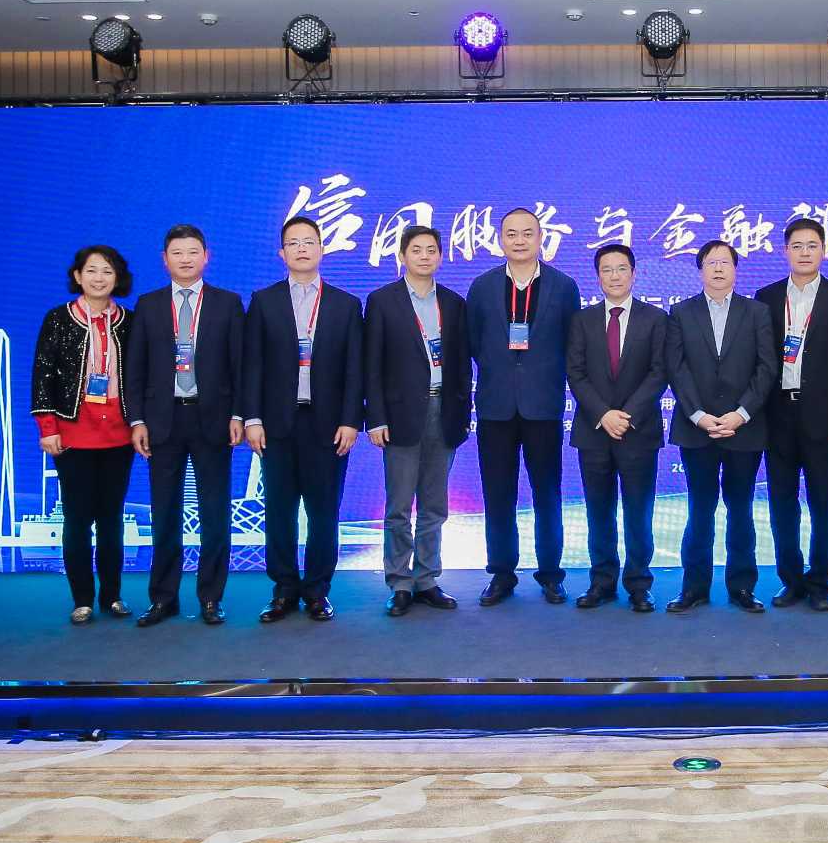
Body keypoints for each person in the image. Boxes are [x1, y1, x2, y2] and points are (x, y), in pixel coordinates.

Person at [241, 217, 362, 624]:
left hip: (328, 425)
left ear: (322, 249)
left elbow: (355, 369)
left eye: (309, 242)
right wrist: (252, 418)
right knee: (279, 510)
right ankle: (283, 589)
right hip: (277, 423)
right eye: (293, 243)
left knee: (324, 512)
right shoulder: (264, 301)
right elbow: (252, 364)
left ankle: (317, 590)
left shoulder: (346, 304)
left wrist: (351, 420)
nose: (302, 249)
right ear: (282, 253)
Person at [125, 224, 244, 627]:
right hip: (163, 420)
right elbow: (135, 369)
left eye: (193, 251)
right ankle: (163, 598)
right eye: (177, 252)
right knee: (164, 514)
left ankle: (211, 597)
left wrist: (238, 414)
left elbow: (240, 366)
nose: (186, 259)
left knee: (215, 513)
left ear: (206, 256)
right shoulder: (149, 305)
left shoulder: (228, 304)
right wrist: (137, 419)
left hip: (213, 420)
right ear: (165, 260)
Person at [465, 207, 582, 605]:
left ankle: (551, 573)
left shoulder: (563, 286)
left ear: (539, 238)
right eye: (511, 234)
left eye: (527, 233)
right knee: (498, 495)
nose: (519, 240)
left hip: (543, 406)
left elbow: (572, 345)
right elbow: (474, 343)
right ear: (501, 240)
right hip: (495, 406)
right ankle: (501, 573)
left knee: (547, 493)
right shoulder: (482, 286)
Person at [365, 224, 472, 617]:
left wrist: (463, 413)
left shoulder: (454, 303)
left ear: (440, 256)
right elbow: (372, 366)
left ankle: (427, 579)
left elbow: (463, 366)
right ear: (402, 256)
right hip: (399, 416)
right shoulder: (382, 301)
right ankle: (399, 582)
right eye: (416, 250)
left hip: (444, 412)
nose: (425, 256)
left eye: (431, 250)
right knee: (398, 506)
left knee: (434, 505)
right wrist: (375, 417)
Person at [754, 218, 828, 612]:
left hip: (824, 417)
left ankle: (820, 583)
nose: (804, 252)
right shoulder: (765, 297)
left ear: (824, 250)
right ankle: (791, 580)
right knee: (782, 504)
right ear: (785, 251)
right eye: (796, 245)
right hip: (777, 415)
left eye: (812, 245)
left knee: (823, 504)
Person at [665, 239, 776, 613]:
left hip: (744, 427)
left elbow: (767, 368)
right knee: (700, 508)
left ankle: (742, 587)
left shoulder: (757, 312)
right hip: (696, 428)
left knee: (741, 508)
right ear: (700, 270)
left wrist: (741, 414)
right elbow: (676, 368)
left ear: (735, 269)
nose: (717, 268)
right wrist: (698, 415)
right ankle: (694, 588)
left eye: (724, 262)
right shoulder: (681, 313)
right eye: (710, 263)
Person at [30, 244, 136, 625]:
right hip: (73, 434)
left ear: (117, 278)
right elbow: (42, 374)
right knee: (77, 519)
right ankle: (82, 600)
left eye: (107, 271)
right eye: (91, 270)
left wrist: (140, 424)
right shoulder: (58, 319)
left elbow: (141, 377)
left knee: (112, 519)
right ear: (77, 276)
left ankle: (113, 596)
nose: (98, 278)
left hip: (119, 436)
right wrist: (48, 428)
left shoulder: (129, 321)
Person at [565, 243, 668, 612]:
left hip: (638, 432)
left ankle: (639, 583)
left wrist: (626, 415)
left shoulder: (655, 319)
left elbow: (659, 372)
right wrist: (603, 414)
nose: (614, 275)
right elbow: (575, 373)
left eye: (621, 268)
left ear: (633, 274)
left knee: (639, 512)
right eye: (606, 270)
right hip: (594, 431)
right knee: (599, 512)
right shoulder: (582, 320)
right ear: (598, 277)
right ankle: (602, 582)